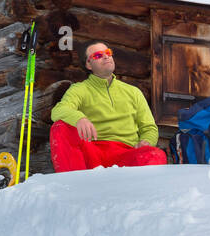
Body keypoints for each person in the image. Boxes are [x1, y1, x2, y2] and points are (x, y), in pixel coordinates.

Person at [48, 41, 167, 172]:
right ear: (88, 64)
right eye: (98, 55)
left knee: (156, 155)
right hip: (92, 153)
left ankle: (133, 190)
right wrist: (79, 119)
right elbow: (58, 110)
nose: (106, 57)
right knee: (60, 127)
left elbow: (149, 127)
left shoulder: (133, 92)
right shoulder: (79, 89)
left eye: (108, 53)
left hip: (126, 155)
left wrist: (146, 141)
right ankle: (75, 185)